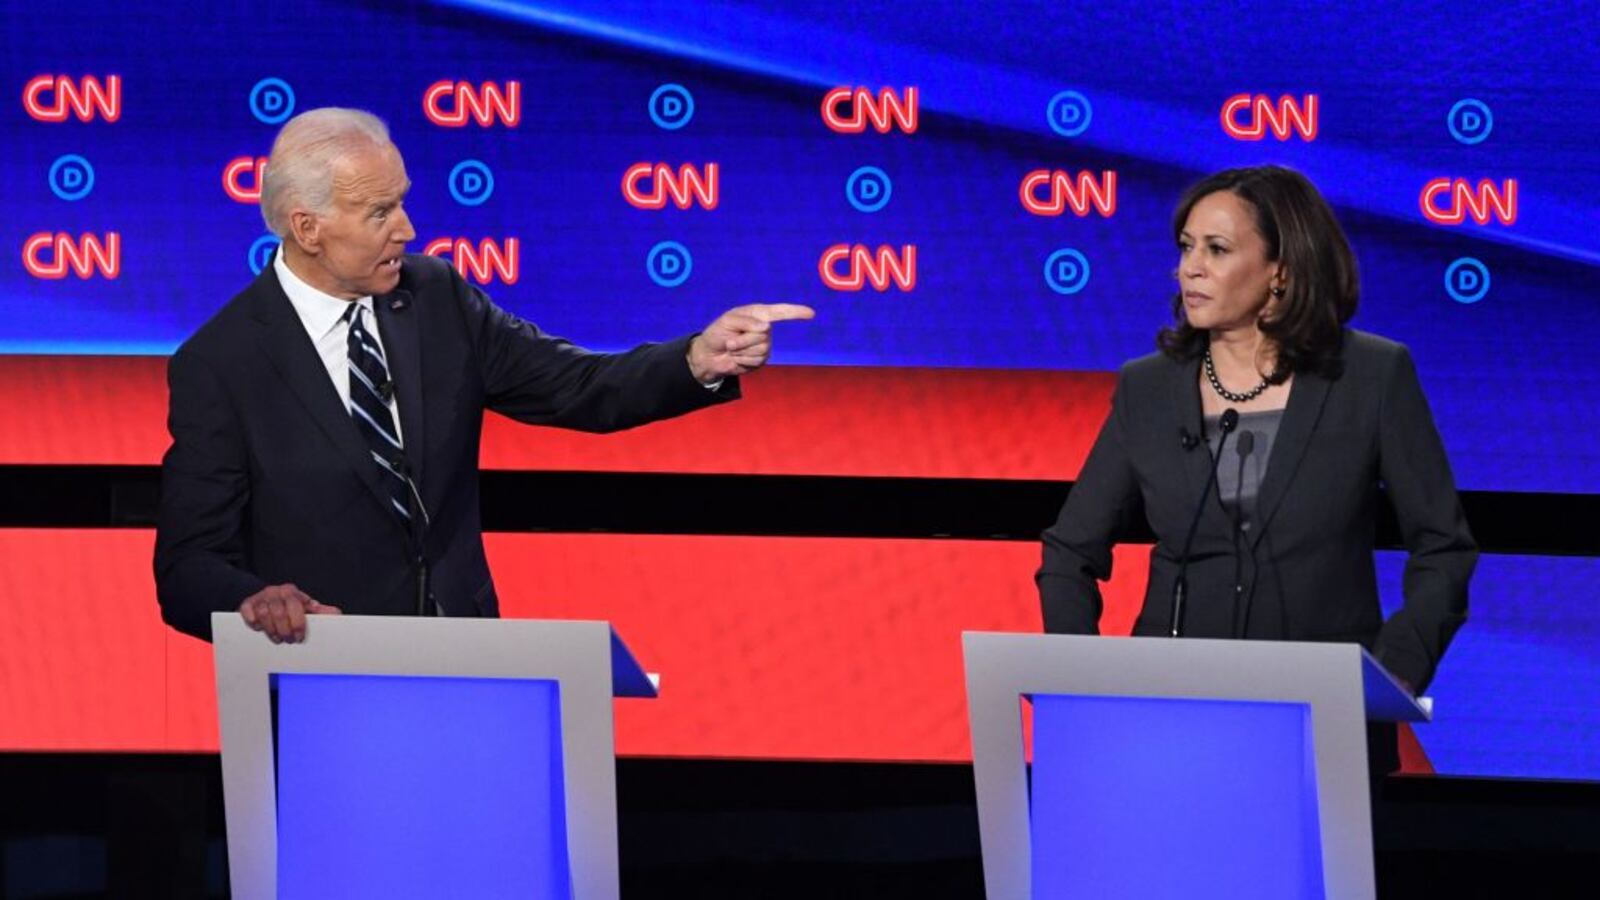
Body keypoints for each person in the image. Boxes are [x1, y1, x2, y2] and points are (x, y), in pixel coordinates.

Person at [155, 108, 812, 644]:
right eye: (379, 213)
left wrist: (697, 359)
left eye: (401, 204)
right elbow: (187, 568)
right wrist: (252, 599)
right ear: (308, 228)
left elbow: (576, 385)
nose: (407, 230)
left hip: (463, 656)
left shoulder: (435, 298)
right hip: (325, 677)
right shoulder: (223, 363)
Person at [1037, 164, 1475, 698]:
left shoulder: (1372, 377)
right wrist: (1077, 677)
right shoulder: (1148, 388)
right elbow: (1070, 551)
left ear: (1281, 271)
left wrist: (1396, 667)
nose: (1189, 269)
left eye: (1216, 250)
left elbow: (1443, 547)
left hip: (1325, 705)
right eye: (1185, 247)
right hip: (1172, 705)